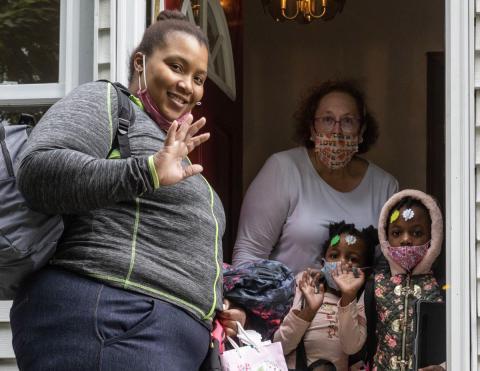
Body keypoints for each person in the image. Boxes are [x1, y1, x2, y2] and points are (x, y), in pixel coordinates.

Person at [10, 10, 242, 370]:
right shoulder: (108, 103)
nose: (188, 86)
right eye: (176, 67)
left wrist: (213, 301)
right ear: (140, 62)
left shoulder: (174, 151)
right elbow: (38, 171)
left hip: (165, 337)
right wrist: (146, 171)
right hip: (112, 318)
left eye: (198, 78)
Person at [232, 80, 398, 275]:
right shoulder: (283, 168)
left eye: (348, 121)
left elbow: (387, 269)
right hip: (287, 303)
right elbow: (249, 254)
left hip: (356, 304)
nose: (336, 131)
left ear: (361, 131)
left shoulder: (385, 186)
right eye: (327, 120)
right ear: (312, 129)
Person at [273, 221, 377, 370]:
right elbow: (280, 346)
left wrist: (348, 297)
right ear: (324, 260)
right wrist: (309, 311)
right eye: (334, 255)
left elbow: (351, 347)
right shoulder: (307, 286)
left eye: (352, 259)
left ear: (364, 270)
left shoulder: (362, 299)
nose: (341, 262)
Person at [367, 189, 445, 371]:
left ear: (433, 236)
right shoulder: (376, 284)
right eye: (396, 233)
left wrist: (444, 367)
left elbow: (464, 339)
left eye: (417, 233)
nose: (406, 240)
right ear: (385, 237)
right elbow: (355, 345)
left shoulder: (443, 287)